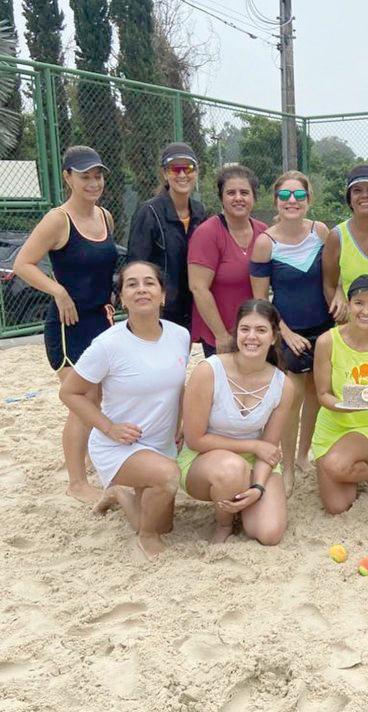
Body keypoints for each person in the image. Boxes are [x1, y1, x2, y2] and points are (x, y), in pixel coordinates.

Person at [59, 261, 190, 559]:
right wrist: (108, 427)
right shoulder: (107, 345)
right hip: (119, 445)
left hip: (160, 444)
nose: (141, 289)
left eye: (149, 282)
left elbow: (177, 387)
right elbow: (69, 392)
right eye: (131, 284)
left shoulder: (180, 335)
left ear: (163, 294)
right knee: (168, 478)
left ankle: (118, 493)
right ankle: (146, 536)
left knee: (166, 522)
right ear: (120, 298)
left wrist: (181, 424)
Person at [14, 145, 118, 504]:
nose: (93, 182)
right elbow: (24, 264)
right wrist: (57, 291)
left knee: (100, 396)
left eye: (98, 176)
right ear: (67, 177)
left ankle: (91, 460)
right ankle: (76, 482)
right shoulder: (58, 220)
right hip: (67, 323)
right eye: (85, 176)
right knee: (82, 400)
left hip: (100, 320)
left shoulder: (105, 216)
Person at [178, 299, 293, 544]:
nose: (252, 337)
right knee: (232, 469)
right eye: (245, 329)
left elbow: (269, 448)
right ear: (236, 333)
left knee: (269, 533)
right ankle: (224, 524)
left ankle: (243, 500)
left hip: (255, 461)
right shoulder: (209, 371)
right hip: (204, 458)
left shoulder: (283, 385)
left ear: (274, 337)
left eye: (261, 330)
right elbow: (195, 439)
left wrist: (258, 487)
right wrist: (253, 446)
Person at [250, 171, 333, 496]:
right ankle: (285, 468)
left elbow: (331, 279)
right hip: (289, 331)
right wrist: (284, 332)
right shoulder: (265, 243)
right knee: (291, 401)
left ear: (309, 200)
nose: (292, 202)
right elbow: (260, 301)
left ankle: (302, 456)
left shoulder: (321, 232)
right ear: (276, 202)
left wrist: (338, 294)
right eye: (285, 196)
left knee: (316, 396)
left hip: (323, 329)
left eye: (299, 196)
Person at [312, 275, 368, 514]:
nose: (366, 310)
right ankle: (358, 467)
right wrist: (346, 405)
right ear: (348, 304)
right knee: (337, 506)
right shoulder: (326, 342)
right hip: (333, 425)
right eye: (359, 303)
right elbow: (322, 394)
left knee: (336, 464)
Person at [188, 165, 267, 357]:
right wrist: (221, 336)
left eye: (244, 192)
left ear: (253, 197)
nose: (238, 198)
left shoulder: (264, 233)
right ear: (221, 198)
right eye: (231, 192)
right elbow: (198, 288)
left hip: (255, 334)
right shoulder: (208, 233)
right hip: (221, 335)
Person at [127, 142, 207, 330]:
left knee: (181, 360)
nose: (182, 175)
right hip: (159, 311)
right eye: (174, 169)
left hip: (191, 308)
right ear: (165, 173)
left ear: (196, 172)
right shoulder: (149, 212)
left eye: (187, 168)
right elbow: (136, 266)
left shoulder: (200, 212)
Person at [322, 164, 368, 336]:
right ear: (349, 198)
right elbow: (329, 284)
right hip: (352, 338)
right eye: (357, 190)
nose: (365, 195)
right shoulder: (337, 237)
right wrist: (343, 319)